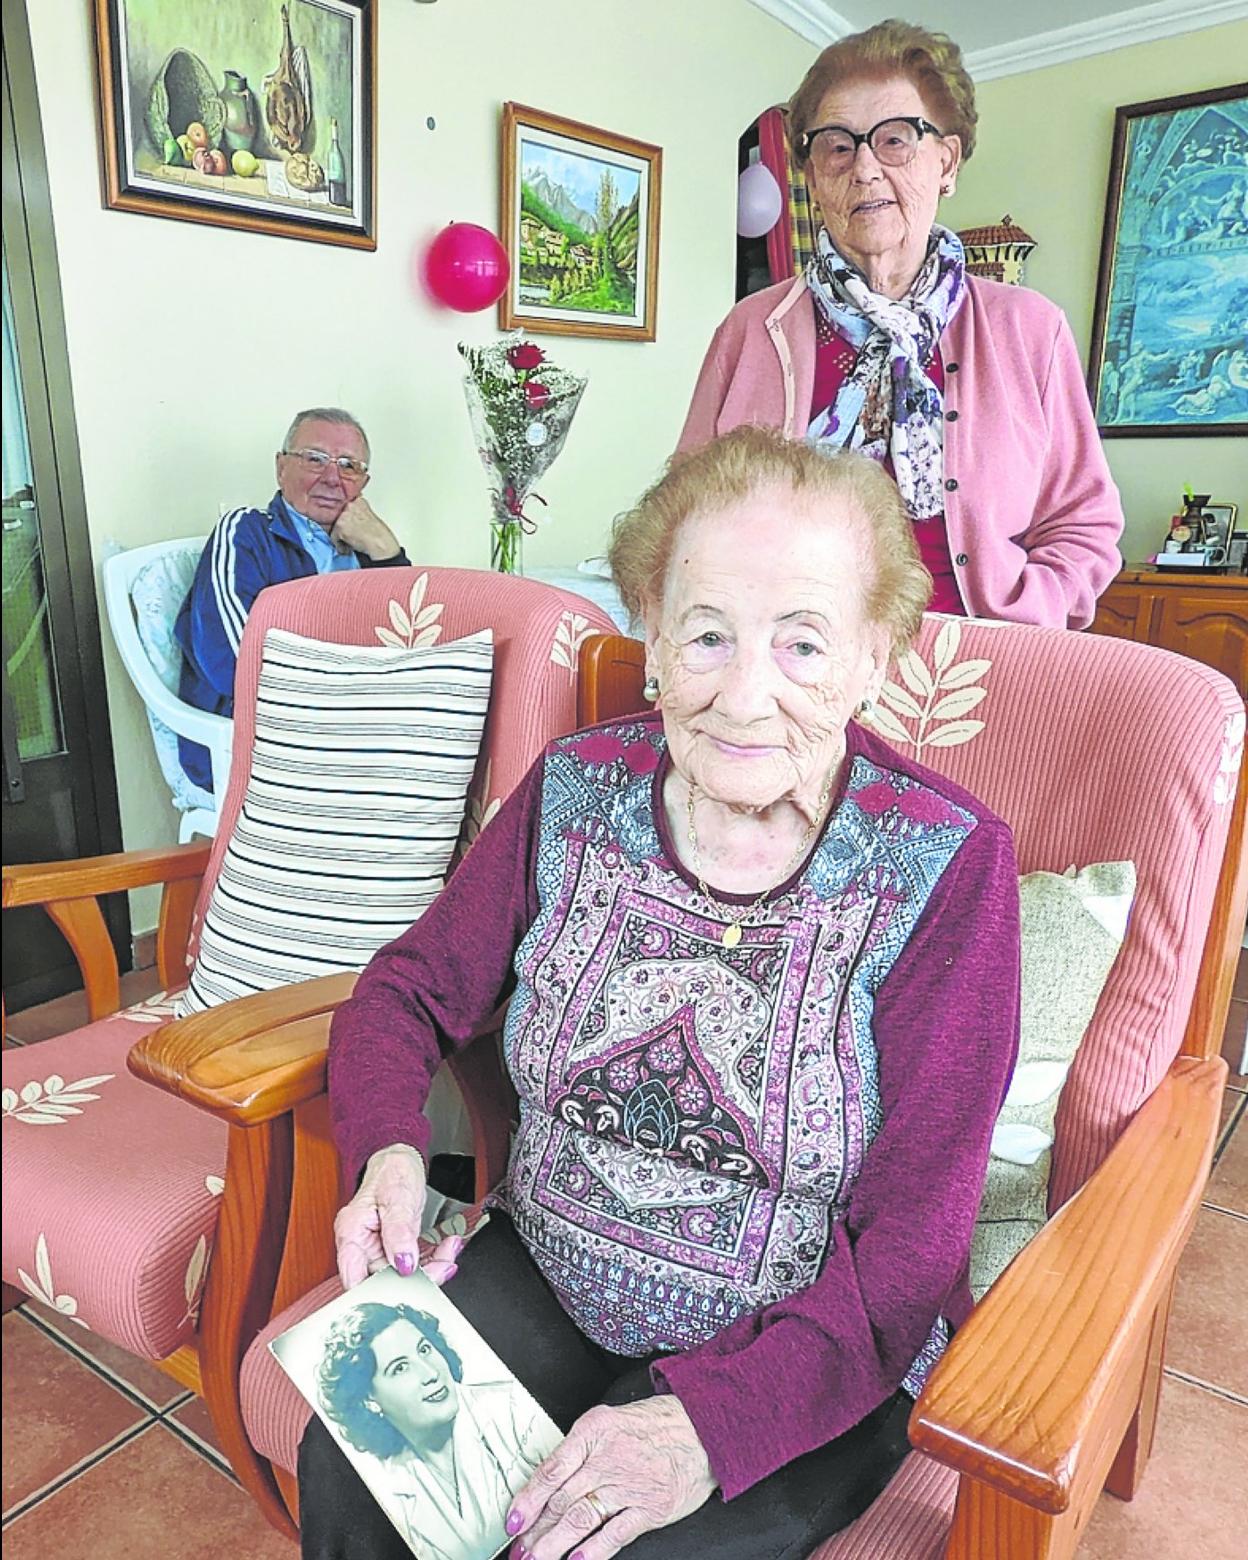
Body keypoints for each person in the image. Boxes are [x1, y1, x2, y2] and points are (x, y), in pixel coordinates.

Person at [300, 427, 1021, 1560]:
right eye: (706, 635)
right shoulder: (578, 790)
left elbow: (915, 1243)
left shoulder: (946, 864)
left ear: (877, 659)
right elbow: (407, 989)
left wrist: (710, 1426)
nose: (744, 696)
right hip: (546, 1261)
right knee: (358, 1462)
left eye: (802, 644)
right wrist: (390, 1147)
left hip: (801, 1340)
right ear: (649, 635)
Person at [679, 20, 1123, 630]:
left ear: (947, 161)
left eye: (895, 139)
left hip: (978, 659)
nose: (863, 168)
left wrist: (1028, 619)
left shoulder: (1030, 329)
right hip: (786, 662)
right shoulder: (751, 329)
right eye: (836, 144)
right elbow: (684, 513)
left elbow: (1083, 524)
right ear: (812, 175)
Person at [174, 407, 409, 791]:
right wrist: (346, 704)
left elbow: (418, 646)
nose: (333, 478)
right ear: (281, 467)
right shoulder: (247, 533)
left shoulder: (368, 548)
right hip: (261, 742)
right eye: (315, 459)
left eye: (349, 465)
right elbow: (233, 660)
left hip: (363, 736)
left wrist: (387, 551)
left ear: (363, 482)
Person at [315, 1302, 554, 1560]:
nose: (430, 1373)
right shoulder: (393, 1484)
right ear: (368, 1401)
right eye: (400, 1367)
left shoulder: (512, 1410)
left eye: (425, 1349)